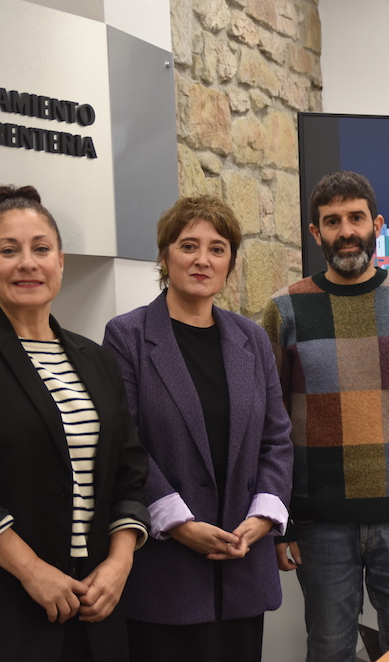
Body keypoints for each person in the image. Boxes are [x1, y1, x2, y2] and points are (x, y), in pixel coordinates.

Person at [0, 185, 150, 662]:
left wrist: (119, 563)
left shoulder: (97, 360)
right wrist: (33, 570)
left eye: (41, 249)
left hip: (94, 610)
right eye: (8, 251)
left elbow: (130, 472)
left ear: (61, 262)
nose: (27, 263)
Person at [260, 170, 389, 661]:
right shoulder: (285, 310)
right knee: (329, 650)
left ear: (376, 225)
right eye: (332, 221)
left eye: (356, 218)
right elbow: (270, 426)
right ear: (316, 233)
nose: (346, 231)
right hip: (319, 525)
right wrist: (279, 520)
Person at [103, 196, 293, 662]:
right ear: (164, 256)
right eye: (188, 246)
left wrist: (262, 517)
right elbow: (125, 444)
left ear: (230, 262)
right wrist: (180, 524)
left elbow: (277, 440)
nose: (202, 259)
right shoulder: (127, 337)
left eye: (217, 249)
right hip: (166, 568)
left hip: (242, 564)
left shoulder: (252, 338)